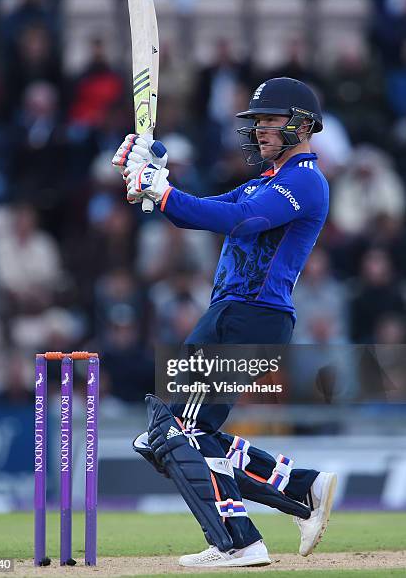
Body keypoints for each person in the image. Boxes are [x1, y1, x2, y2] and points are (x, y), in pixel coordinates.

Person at [112, 77, 336, 567]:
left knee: (174, 432)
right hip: (235, 317)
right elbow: (205, 211)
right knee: (177, 434)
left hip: (251, 317)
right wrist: (153, 178)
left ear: (301, 125)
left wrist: (163, 191)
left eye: (270, 121)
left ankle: (238, 540)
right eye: (256, 122)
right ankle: (302, 489)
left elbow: (243, 220)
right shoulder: (268, 181)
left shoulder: (304, 181)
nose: (259, 131)